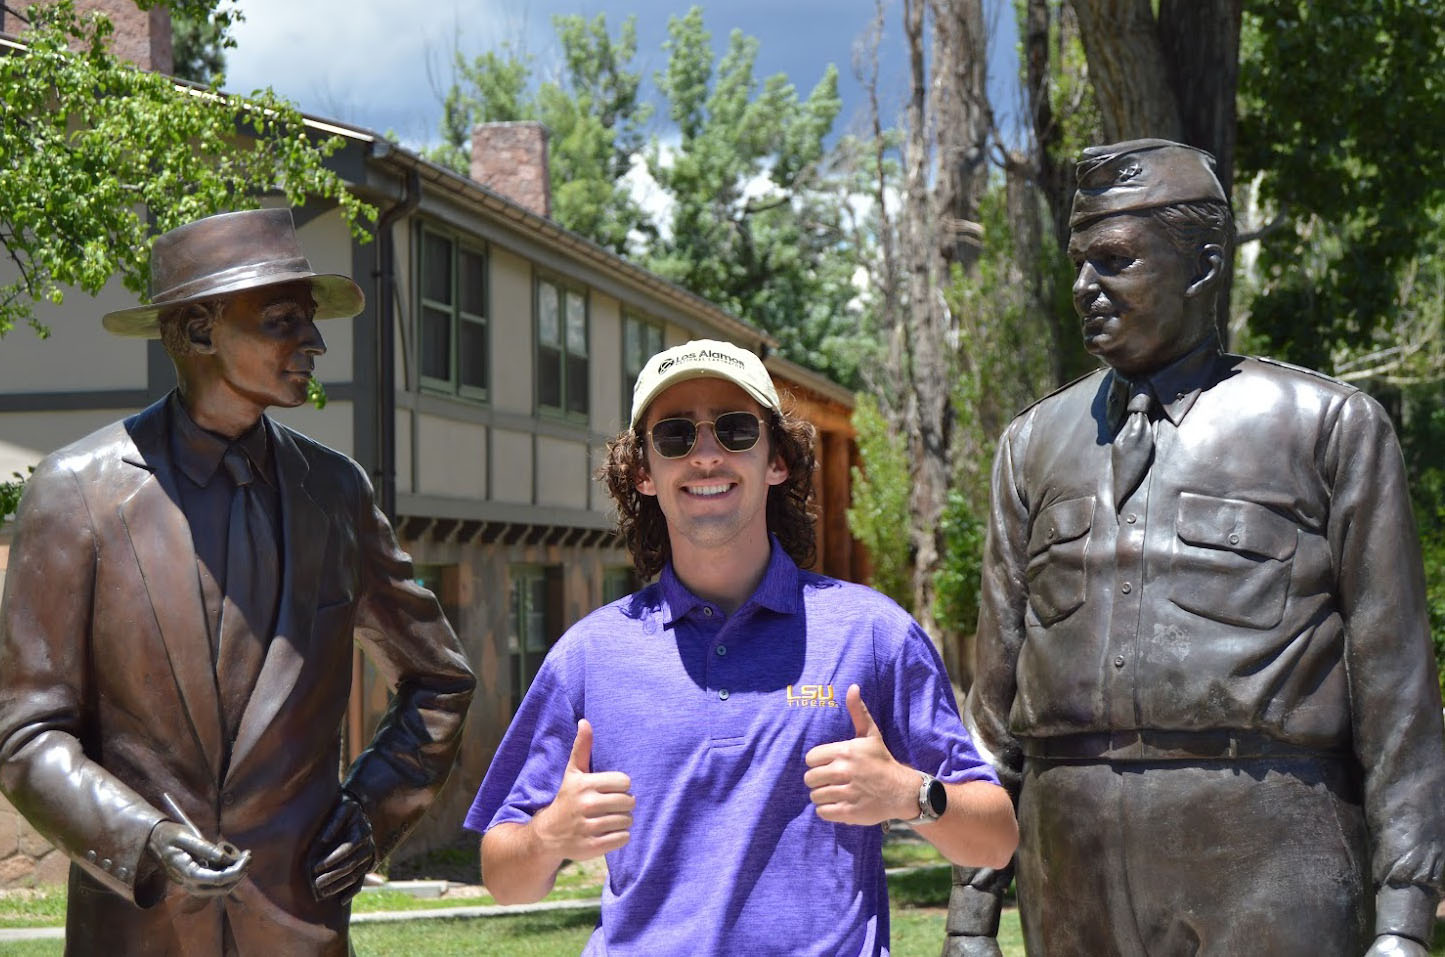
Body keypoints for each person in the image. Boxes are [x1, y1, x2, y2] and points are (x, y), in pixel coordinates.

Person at [948, 139, 1445, 957]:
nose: (1083, 287)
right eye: (1077, 261)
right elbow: (995, 701)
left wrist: (1402, 917)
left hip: (1268, 860)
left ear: (1204, 264)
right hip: (1067, 866)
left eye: (1112, 260)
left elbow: (1396, 688)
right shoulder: (1031, 443)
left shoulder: (1325, 425)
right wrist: (971, 915)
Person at [0, 208, 476, 956]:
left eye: (309, 320)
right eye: (283, 320)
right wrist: (142, 839)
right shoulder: (74, 494)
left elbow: (438, 679)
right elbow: (27, 731)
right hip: (138, 930)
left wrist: (372, 810)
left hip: (299, 925)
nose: (313, 343)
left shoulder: (336, 494)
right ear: (197, 332)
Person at [466, 338, 1017, 955]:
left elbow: (995, 840)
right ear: (643, 472)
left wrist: (909, 796)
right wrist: (549, 837)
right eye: (675, 435)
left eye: (733, 430)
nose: (705, 455)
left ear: (776, 460)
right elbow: (503, 877)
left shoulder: (873, 633)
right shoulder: (588, 655)